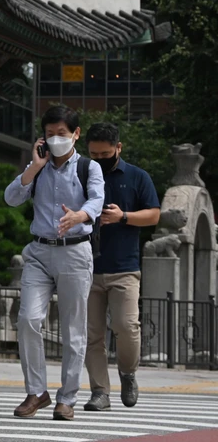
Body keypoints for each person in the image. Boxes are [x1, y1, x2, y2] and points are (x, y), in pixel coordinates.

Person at [5, 105, 104, 421]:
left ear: (76, 134)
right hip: (38, 252)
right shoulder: (38, 169)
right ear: (42, 138)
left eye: (63, 133)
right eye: (50, 134)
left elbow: (97, 200)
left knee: (74, 328)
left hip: (75, 252)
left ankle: (67, 399)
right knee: (28, 320)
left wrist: (80, 215)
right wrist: (33, 167)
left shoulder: (89, 168)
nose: (57, 139)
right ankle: (36, 392)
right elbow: (11, 198)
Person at [83, 122, 160, 412]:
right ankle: (99, 392)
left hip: (124, 267)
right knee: (92, 334)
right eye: (94, 154)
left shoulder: (137, 176)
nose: (100, 159)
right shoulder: (82, 175)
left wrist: (123, 216)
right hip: (87, 266)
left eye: (105, 154)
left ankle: (128, 374)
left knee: (126, 326)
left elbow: (154, 215)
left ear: (118, 148)